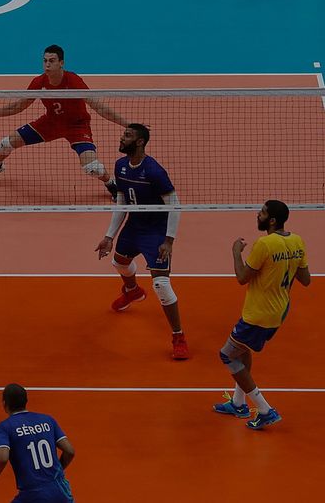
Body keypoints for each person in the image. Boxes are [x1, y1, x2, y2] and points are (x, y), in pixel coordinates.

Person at [0, 45, 127, 199]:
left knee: (92, 168)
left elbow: (99, 107)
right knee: (4, 145)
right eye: (45, 61)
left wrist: (127, 124)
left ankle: (110, 183)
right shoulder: (39, 82)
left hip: (77, 127)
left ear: (61, 63)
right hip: (50, 124)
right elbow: (18, 106)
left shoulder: (73, 81)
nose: (47, 64)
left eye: (52, 61)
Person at [213, 200, 311, 430]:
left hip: (257, 315)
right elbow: (306, 280)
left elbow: (242, 277)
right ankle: (238, 404)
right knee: (242, 350)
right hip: (279, 312)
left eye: (263, 213)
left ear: (272, 220)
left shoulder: (264, 245)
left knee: (227, 355)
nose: (258, 214)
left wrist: (236, 252)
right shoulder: (297, 241)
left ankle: (265, 410)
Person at [95, 124, 190, 360]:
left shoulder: (154, 171)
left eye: (127, 135)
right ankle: (132, 290)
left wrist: (169, 241)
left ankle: (179, 337)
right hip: (134, 227)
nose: (121, 137)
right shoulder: (120, 166)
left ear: (139, 142)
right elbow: (121, 201)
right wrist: (109, 236)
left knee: (162, 286)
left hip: (156, 232)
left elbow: (175, 204)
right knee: (119, 262)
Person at [0, 383, 75, 503]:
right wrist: (55, 472)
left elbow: (2, 457)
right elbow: (69, 451)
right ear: (26, 401)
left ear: (4, 404)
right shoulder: (48, 420)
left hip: (32, 494)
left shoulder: (5, 427)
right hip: (60, 489)